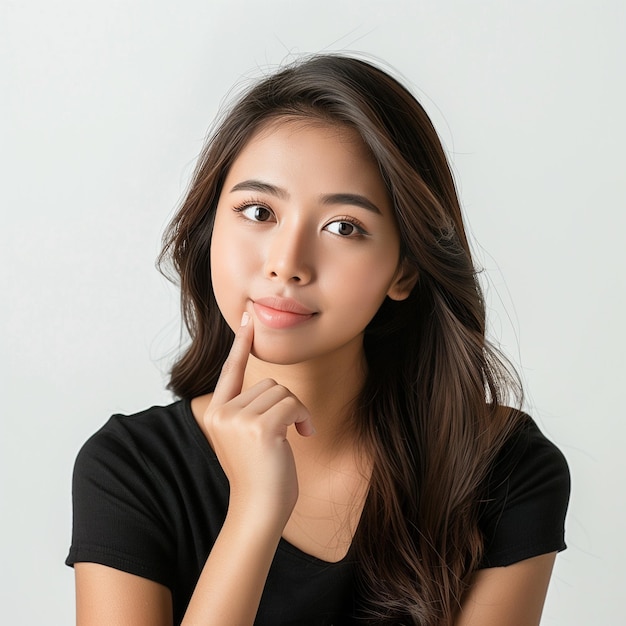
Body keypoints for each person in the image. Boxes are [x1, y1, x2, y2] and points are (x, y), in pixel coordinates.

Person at [66, 54, 570, 625]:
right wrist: (256, 512)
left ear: (404, 269)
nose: (286, 263)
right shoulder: (130, 471)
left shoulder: (501, 468)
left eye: (344, 227)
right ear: (210, 230)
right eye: (258, 211)